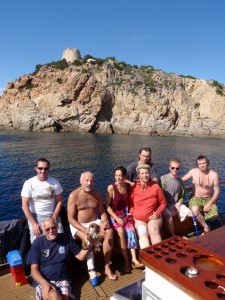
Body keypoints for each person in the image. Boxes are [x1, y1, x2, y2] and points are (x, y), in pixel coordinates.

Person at [67, 171, 117, 286]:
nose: (89, 183)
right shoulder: (73, 196)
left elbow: (102, 211)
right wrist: (85, 230)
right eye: (86, 181)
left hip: (94, 221)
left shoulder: (97, 194)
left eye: (91, 181)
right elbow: (70, 219)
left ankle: (106, 266)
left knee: (109, 231)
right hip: (79, 225)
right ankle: (92, 270)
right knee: (88, 238)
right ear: (81, 181)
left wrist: (104, 221)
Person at [27, 217, 90, 300]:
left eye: (53, 227)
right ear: (42, 229)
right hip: (44, 280)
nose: (51, 231)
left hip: (63, 279)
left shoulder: (66, 238)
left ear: (57, 226)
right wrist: (45, 284)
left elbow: (81, 257)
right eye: (47, 229)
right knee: (54, 295)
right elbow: (34, 270)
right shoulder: (38, 243)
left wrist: (87, 247)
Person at [105, 166, 143, 273]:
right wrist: (116, 218)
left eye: (120, 175)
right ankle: (126, 261)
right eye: (116, 175)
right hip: (114, 216)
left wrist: (130, 182)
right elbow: (107, 206)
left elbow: (137, 185)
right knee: (121, 232)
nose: (118, 178)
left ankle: (134, 259)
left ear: (124, 176)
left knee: (131, 231)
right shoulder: (111, 188)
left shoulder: (127, 186)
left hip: (126, 215)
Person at [21, 158, 64, 243]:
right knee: (38, 242)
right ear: (36, 168)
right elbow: (25, 206)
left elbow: (60, 201)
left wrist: (54, 217)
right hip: (36, 216)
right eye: (40, 168)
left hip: (52, 214)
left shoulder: (55, 182)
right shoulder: (29, 183)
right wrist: (34, 224)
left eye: (46, 168)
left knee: (60, 238)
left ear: (49, 169)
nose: (43, 171)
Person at [129, 164, 167, 248]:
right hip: (139, 218)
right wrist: (133, 212)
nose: (145, 175)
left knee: (153, 230)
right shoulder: (134, 187)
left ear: (149, 174)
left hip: (153, 217)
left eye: (146, 173)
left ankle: (159, 255)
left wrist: (157, 213)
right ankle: (148, 258)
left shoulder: (155, 187)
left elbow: (163, 203)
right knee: (142, 233)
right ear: (138, 175)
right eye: (142, 173)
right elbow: (130, 203)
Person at [181, 155, 220, 234]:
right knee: (195, 210)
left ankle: (209, 226)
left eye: (204, 163)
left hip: (208, 198)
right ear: (197, 165)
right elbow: (181, 180)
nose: (202, 165)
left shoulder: (214, 174)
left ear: (207, 163)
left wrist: (209, 204)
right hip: (195, 197)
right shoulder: (193, 172)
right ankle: (206, 228)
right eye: (200, 164)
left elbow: (217, 191)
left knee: (214, 216)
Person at [160, 159, 192, 236]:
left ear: (179, 169)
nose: (175, 170)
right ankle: (172, 234)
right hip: (165, 204)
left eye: (177, 168)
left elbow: (182, 195)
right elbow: (160, 195)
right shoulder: (163, 179)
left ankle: (181, 229)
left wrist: (179, 203)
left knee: (191, 214)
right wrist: (168, 206)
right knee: (169, 216)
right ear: (169, 167)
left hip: (176, 203)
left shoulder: (180, 181)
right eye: (172, 168)